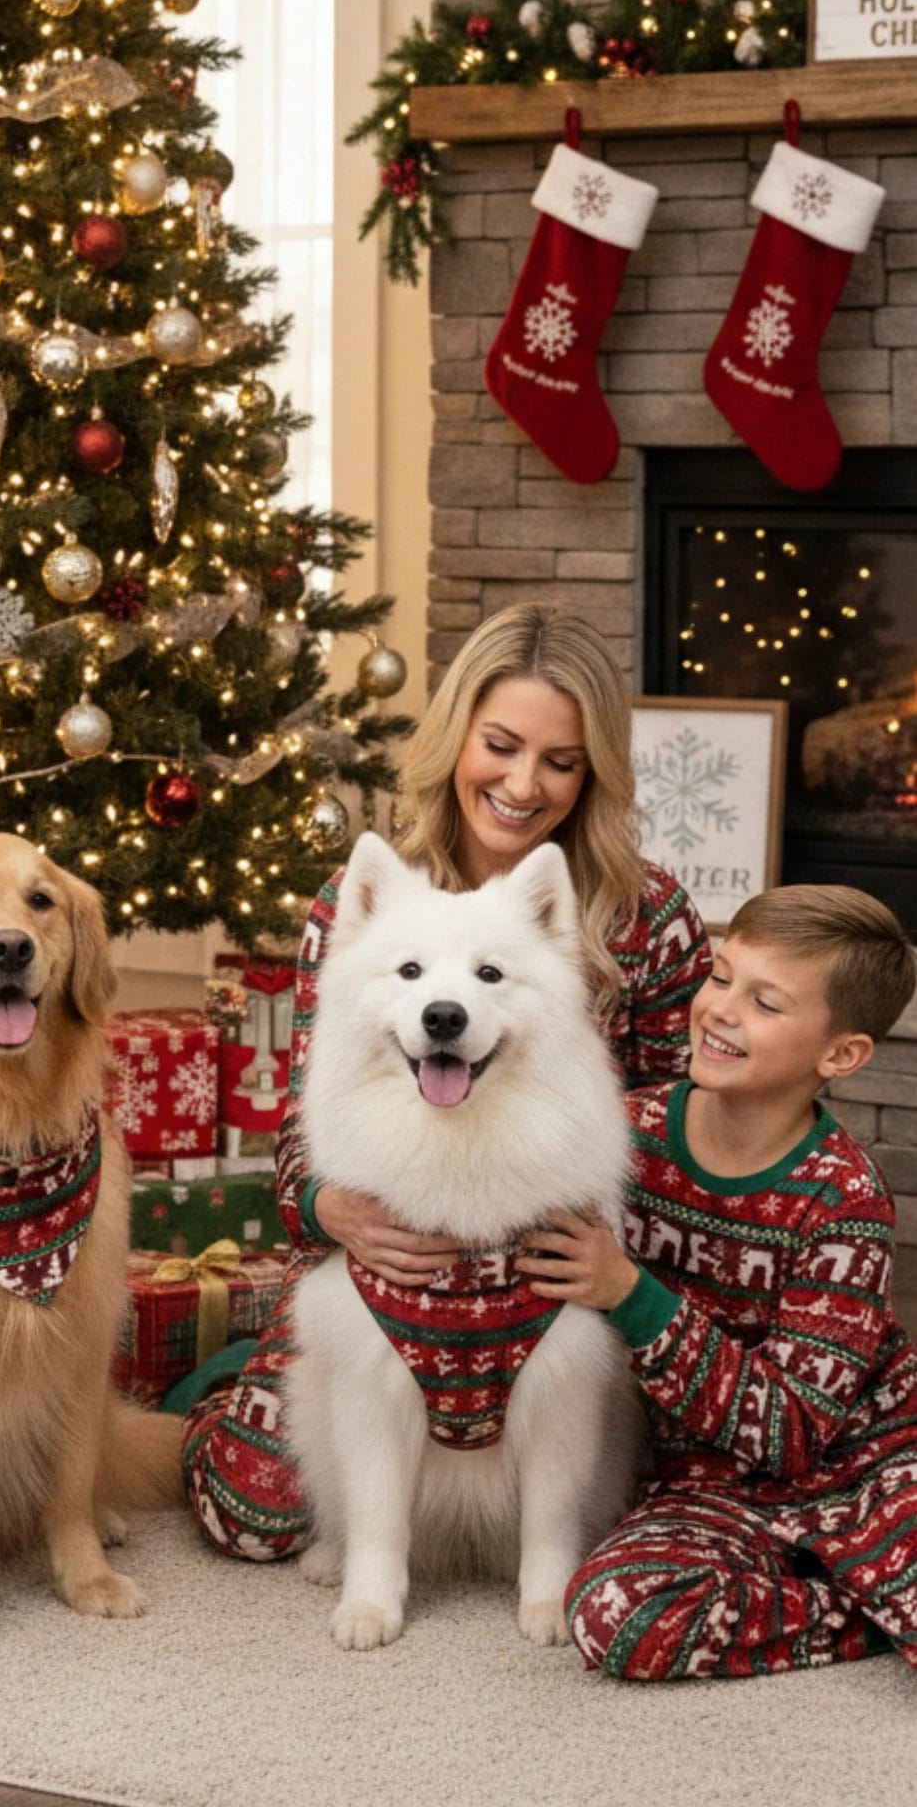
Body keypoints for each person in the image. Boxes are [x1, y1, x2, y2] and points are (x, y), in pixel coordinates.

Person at [180, 602, 713, 1559]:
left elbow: (686, 1123)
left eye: (561, 760)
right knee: (250, 1510)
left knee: (643, 1497)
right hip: (399, 1276)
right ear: (456, 735)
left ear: (593, 772)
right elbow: (315, 1118)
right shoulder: (376, 897)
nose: (523, 784)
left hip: (560, 1271)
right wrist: (331, 1209)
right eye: (501, 745)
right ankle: (232, 1370)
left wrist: (611, 1263)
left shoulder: (647, 914)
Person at [518, 883, 917, 1677]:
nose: (722, 1010)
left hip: (866, 1462)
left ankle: (869, 1583)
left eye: (766, 1002)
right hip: (704, 1487)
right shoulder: (623, 1135)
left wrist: (630, 1294)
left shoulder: (846, 1200)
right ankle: (855, 1612)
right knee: (617, 1615)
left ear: (840, 1054)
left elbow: (794, 1436)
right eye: (721, 976)